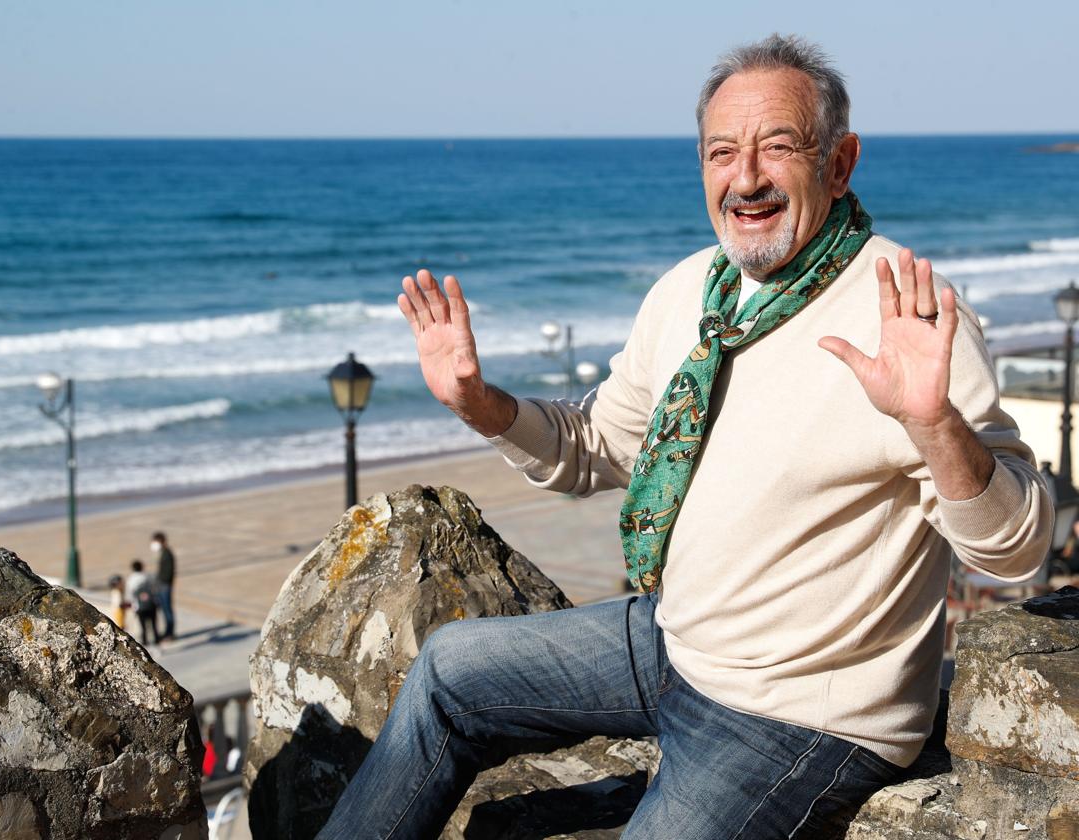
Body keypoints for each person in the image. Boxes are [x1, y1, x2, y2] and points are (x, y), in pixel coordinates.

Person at [317, 35, 1052, 840]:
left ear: (840, 164)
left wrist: (933, 422)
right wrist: (479, 402)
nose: (746, 178)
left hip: (801, 714)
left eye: (778, 147)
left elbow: (1017, 550)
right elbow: (597, 442)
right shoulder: (688, 293)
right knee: (447, 672)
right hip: (676, 643)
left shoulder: (907, 314)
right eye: (721, 152)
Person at [125, 559, 159, 647]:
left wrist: (132, 605)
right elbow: (155, 589)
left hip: (139, 606)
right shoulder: (148, 577)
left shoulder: (131, 579)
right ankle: (156, 642)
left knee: (143, 627)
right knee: (154, 625)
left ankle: (145, 643)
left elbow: (130, 595)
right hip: (151, 605)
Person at [151, 531, 176, 641]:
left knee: (167, 610)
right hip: (163, 586)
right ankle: (167, 632)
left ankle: (170, 633)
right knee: (164, 610)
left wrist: (160, 582)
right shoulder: (163, 553)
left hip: (165, 586)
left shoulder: (167, 554)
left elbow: (168, 572)